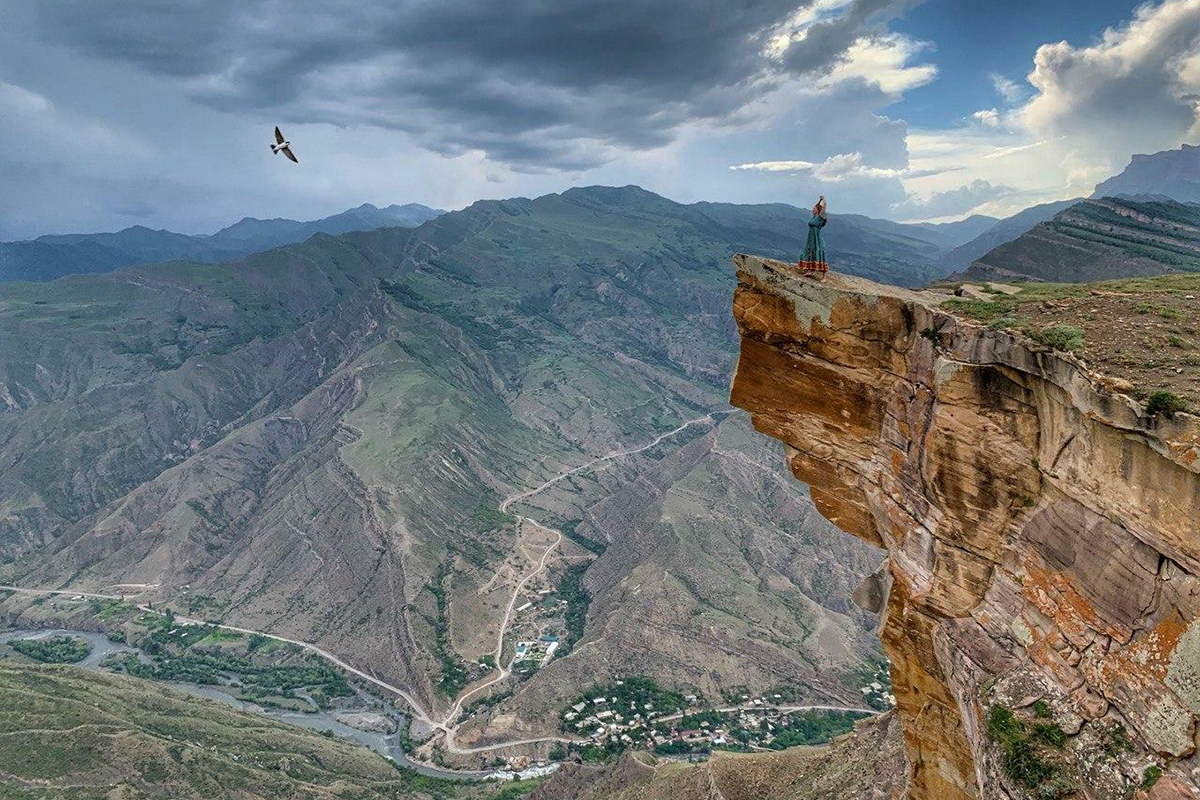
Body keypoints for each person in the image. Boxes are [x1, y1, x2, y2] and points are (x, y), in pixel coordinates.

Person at [798, 196, 828, 279]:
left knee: (818, 252)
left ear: (817, 210)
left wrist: (823, 200)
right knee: (809, 252)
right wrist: (819, 201)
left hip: (816, 238)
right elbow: (819, 206)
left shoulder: (820, 217)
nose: (812, 210)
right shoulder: (815, 217)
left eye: (814, 208)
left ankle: (824, 277)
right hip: (811, 238)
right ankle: (810, 270)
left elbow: (823, 208)